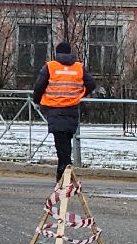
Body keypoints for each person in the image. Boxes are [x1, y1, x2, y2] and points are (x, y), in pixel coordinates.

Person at [32, 40, 98, 183]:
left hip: (55, 110)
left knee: (62, 148)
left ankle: (64, 178)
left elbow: (38, 87)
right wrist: (80, 93)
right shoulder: (79, 67)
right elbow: (92, 84)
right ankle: (63, 177)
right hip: (72, 110)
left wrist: (37, 101)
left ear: (57, 53)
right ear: (70, 53)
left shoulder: (50, 67)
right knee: (65, 145)